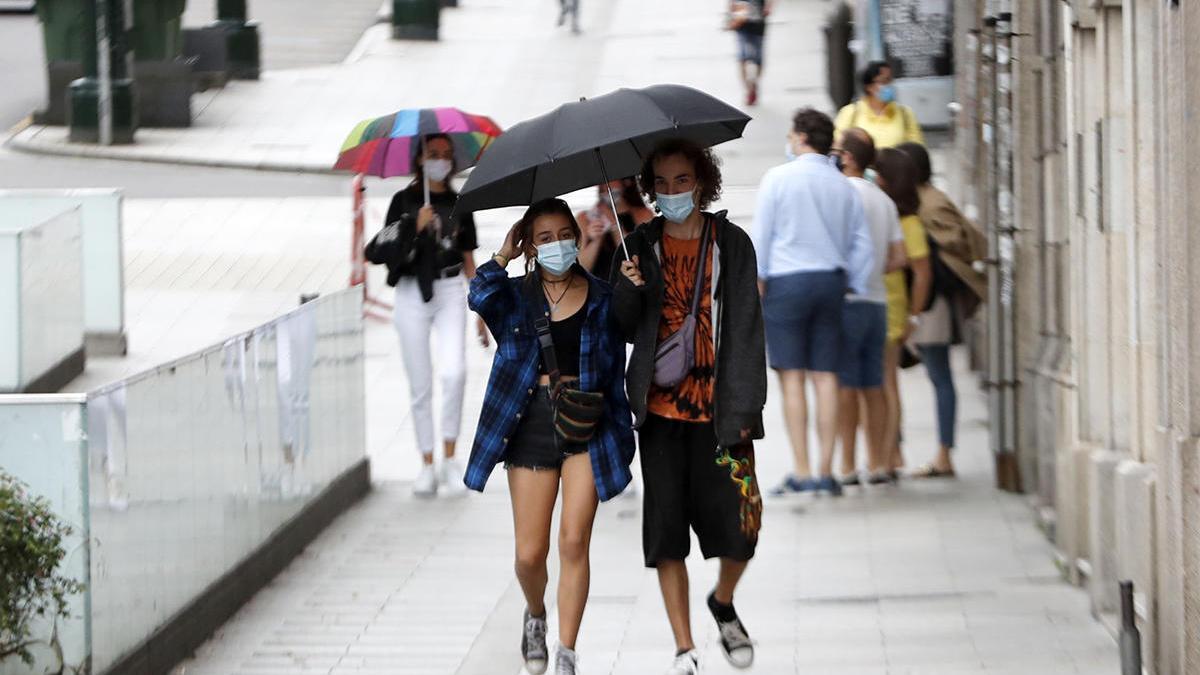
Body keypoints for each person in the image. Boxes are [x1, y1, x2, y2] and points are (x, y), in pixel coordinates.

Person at [612, 138, 766, 675]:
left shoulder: (734, 243)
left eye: (682, 180)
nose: (673, 191)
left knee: (744, 528)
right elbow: (623, 327)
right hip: (660, 419)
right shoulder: (636, 246)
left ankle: (722, 602)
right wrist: (629, 288)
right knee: (667, 534)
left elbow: (748, 328)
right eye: (662, 183)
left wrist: (748, 408)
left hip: (724, 417)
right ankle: (684, 647)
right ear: (648, 189)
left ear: (702, 181)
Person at [464, 198, 635, 675]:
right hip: (529, 422)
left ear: (577, 238)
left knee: (574, 540)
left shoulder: (603, 296)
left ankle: (567, 651)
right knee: (529, 554)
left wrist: (635, 289)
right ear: (530, 246)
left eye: (564, 234)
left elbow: (640, 329)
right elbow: (479, 295)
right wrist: (502, 254)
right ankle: (535, 612)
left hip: (588, 425)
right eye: (544, 237)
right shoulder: (516, 295)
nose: (557, 244)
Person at [755, 108, 874, 498]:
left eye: (792, 133)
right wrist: (850, 282)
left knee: (792, 377)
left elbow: (763, 235)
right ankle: (826, 468)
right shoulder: (843, 185)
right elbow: (861, 242)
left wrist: (759, 281)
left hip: (787, 282)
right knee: (826, 376)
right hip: (831, 281)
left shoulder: (778, 178)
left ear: (802, 136)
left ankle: (802, 469)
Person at [365, 133, 488, 498]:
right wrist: (412, 226)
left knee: (454, 372)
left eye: (446, 155)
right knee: (420, 383)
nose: (440, 161)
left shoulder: (461, 201)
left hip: (450, 290)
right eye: (433, 154)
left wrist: (482, 304)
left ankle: (450, 457)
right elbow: (381, 245)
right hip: (411, 291)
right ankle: (426, 462)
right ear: (419, 158)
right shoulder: (403, 200)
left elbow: (468, 256)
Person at [895, 142, 987, 478]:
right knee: (935, 375)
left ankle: (944, 455)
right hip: (926, 303)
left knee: (939, 375)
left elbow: (955, 243)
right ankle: (916, 452)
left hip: (933, 304)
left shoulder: (928, 203)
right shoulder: (920, 199)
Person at [831, 129, 908, 485]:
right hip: (877, 302)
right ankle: (877, 461)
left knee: (846, 387)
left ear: (847, 157)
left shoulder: (840, 195)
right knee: (874, 385)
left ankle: (847, 464)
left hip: (847, 300)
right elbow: (900, 257)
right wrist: (874, 268)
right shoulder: (883, 200)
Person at [873, 148, 933, 476]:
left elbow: (923, 273)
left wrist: (914, 316)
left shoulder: (908, 222)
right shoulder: (891, 215)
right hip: (885, 304)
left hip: (892, 308)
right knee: (882, 383)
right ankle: (889, 451)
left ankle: (893, 452)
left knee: (887, 383)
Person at [834, 61, 925, 149]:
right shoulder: (851, 113)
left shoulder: (905, 113)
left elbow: (917, 149)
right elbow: (838, 146)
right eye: (884, 81)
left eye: (890, 80)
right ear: (869, 87)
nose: (889, 85)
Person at [577, 178, 654, 277]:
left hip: (630, 286)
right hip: (600, 288)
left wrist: (615, 225)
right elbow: (582, 268)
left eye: (609, 179)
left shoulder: (643, 215)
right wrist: (597, 239)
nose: (603, 185)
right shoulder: (585, 217)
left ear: (626, 181)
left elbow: (638, 261)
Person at [728, 0, 774, 106]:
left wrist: (768, 7)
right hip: (741, 22)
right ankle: (749, 88)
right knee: (743, 58)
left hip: (757, 22)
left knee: (757, 59)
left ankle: (753, 83)